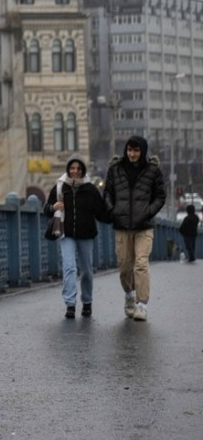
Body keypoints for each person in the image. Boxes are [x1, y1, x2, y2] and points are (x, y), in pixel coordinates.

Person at [103, 136, 166, 321]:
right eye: (130, 150)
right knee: (124, 267)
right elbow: (107, 193)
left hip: (144, 226)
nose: (132, 154)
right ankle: (129, 296)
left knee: (141, 264)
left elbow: (160, 196)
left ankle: (141, 305)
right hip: (122, 226)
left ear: (143, 151)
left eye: (136, 150)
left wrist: (149, 211)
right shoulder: (115, 169)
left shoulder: (153, 171)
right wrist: (113, 210)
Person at [46, 156, 105, 318]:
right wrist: (53, 207)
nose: (75, 171)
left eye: (78, 169)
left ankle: (87, 302)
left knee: (86, 270)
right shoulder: (59, 187)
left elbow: (101, 213)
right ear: (68, 169)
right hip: (66, 233)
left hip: (86, 233)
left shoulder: (90, 189)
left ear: (83, 171)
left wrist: (116, 215)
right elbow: (47, 209)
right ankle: (70, 304)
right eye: (72, 168)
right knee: (69, 267)